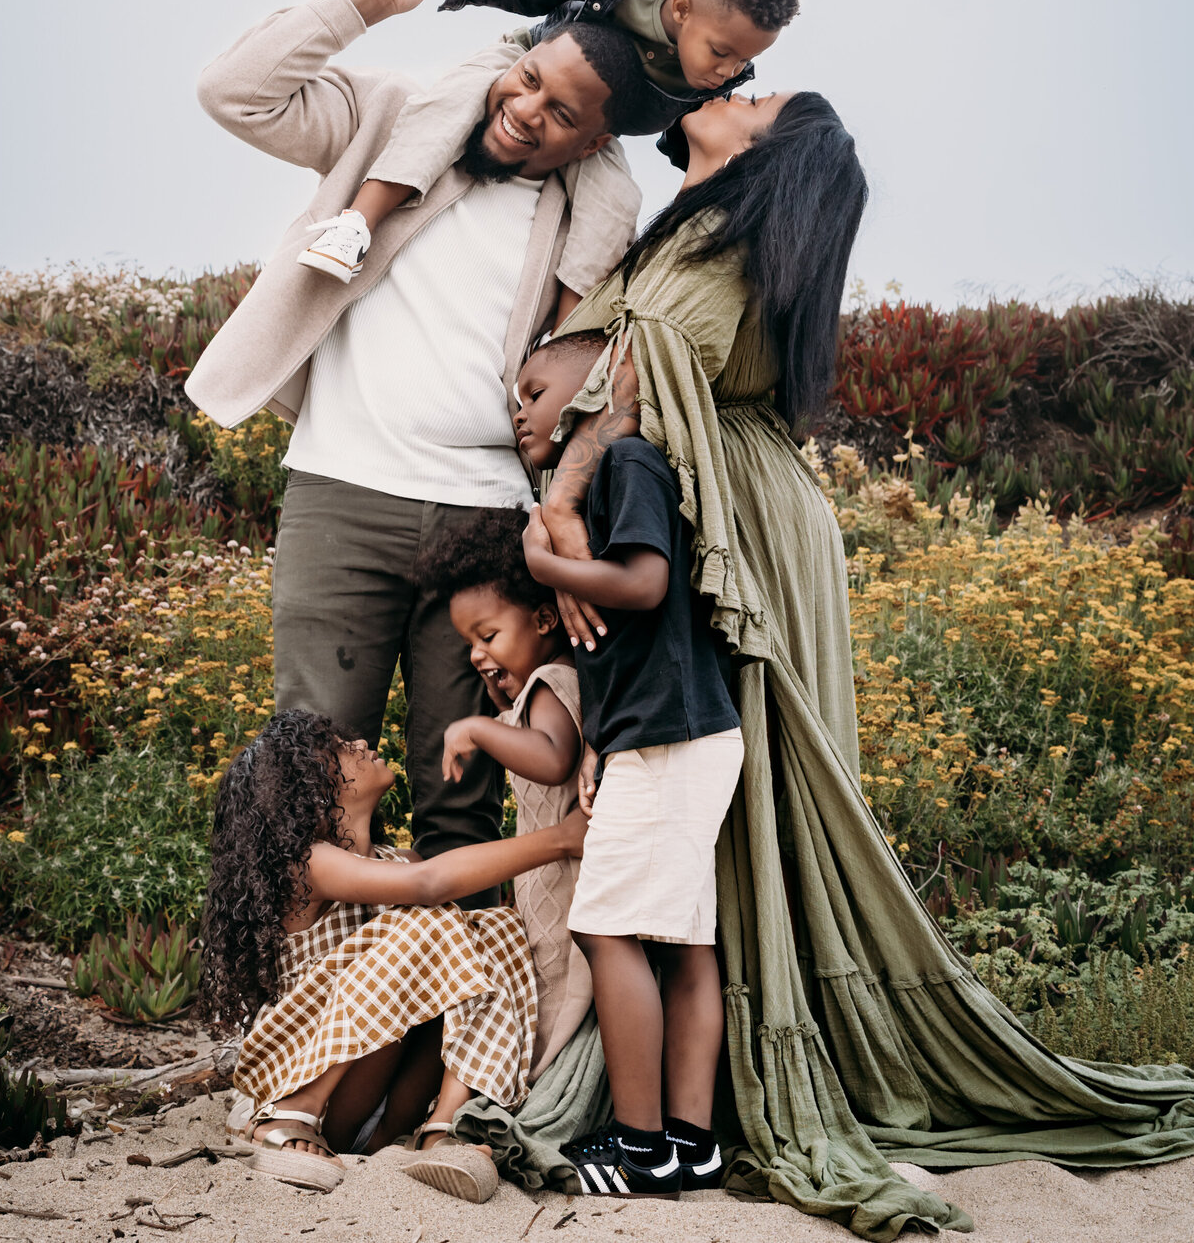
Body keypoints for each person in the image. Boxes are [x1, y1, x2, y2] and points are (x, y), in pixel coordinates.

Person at [457, 88, 1194, 1232]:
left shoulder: (726, 247)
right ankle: (684, 1121)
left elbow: (645, 376)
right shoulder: (684, 216)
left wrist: (554, 517)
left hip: (738, 515)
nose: (731, 92)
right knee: (693, 885)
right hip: (716, 513)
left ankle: (671, 1127)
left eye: (755, 99)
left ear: (770, 152)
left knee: (719, 835)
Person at [185, 0, 650, 879]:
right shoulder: (395, 114)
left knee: (462, 799)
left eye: (561, 115)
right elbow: (232, 92)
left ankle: (454, 1025)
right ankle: (315, 1017)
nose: (525, 114)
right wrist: (367, 3)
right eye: (525, 83)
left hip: (485, 518)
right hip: (341, 493)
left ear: (596, 140)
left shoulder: (592, 219)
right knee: (309, 774)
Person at [510, 330, 744, 1200]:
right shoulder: (614, 473)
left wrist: (545, 560)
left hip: (674, 736)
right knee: (684, 940)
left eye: (534, 388)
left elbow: (645, 585)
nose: (520, 409)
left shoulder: (630, 461)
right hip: (669, 730)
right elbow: (628, 644)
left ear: (598, 375)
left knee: (608, 927)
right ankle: (693, 1142)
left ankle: (643, 1147)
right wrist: (603, 736)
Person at [200, 708, 587, 1203]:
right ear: (313, 792)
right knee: (427, 916)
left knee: (490, 928)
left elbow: (433, 882)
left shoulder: (393, 860)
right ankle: (292, 1109)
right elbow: (428, 886)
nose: (359, 742)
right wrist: (559, 838)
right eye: (338, 747)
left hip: (386, 1105)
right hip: (321, 1095)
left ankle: (440, 1128)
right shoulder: (305, 865)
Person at [295, 0, 800, 286]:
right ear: (683, 10)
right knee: (443, 110)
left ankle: (562, 343)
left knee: (617, 203)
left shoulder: (711, 84)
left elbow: (690, 148)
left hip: (591, 131)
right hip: (525, 67)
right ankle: (355, 225)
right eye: (722, 52)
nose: (728, 72)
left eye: (743, 62)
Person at [417, 506, 590, 1081]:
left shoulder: (553, 681)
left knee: (563, 992)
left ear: (544, 619)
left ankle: (551, 1089)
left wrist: (477, 728)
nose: (475, 655)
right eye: (469, 642)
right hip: (547, 882)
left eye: (488, 636)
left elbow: (554, 758)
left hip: (568, 885)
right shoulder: (535, 690)